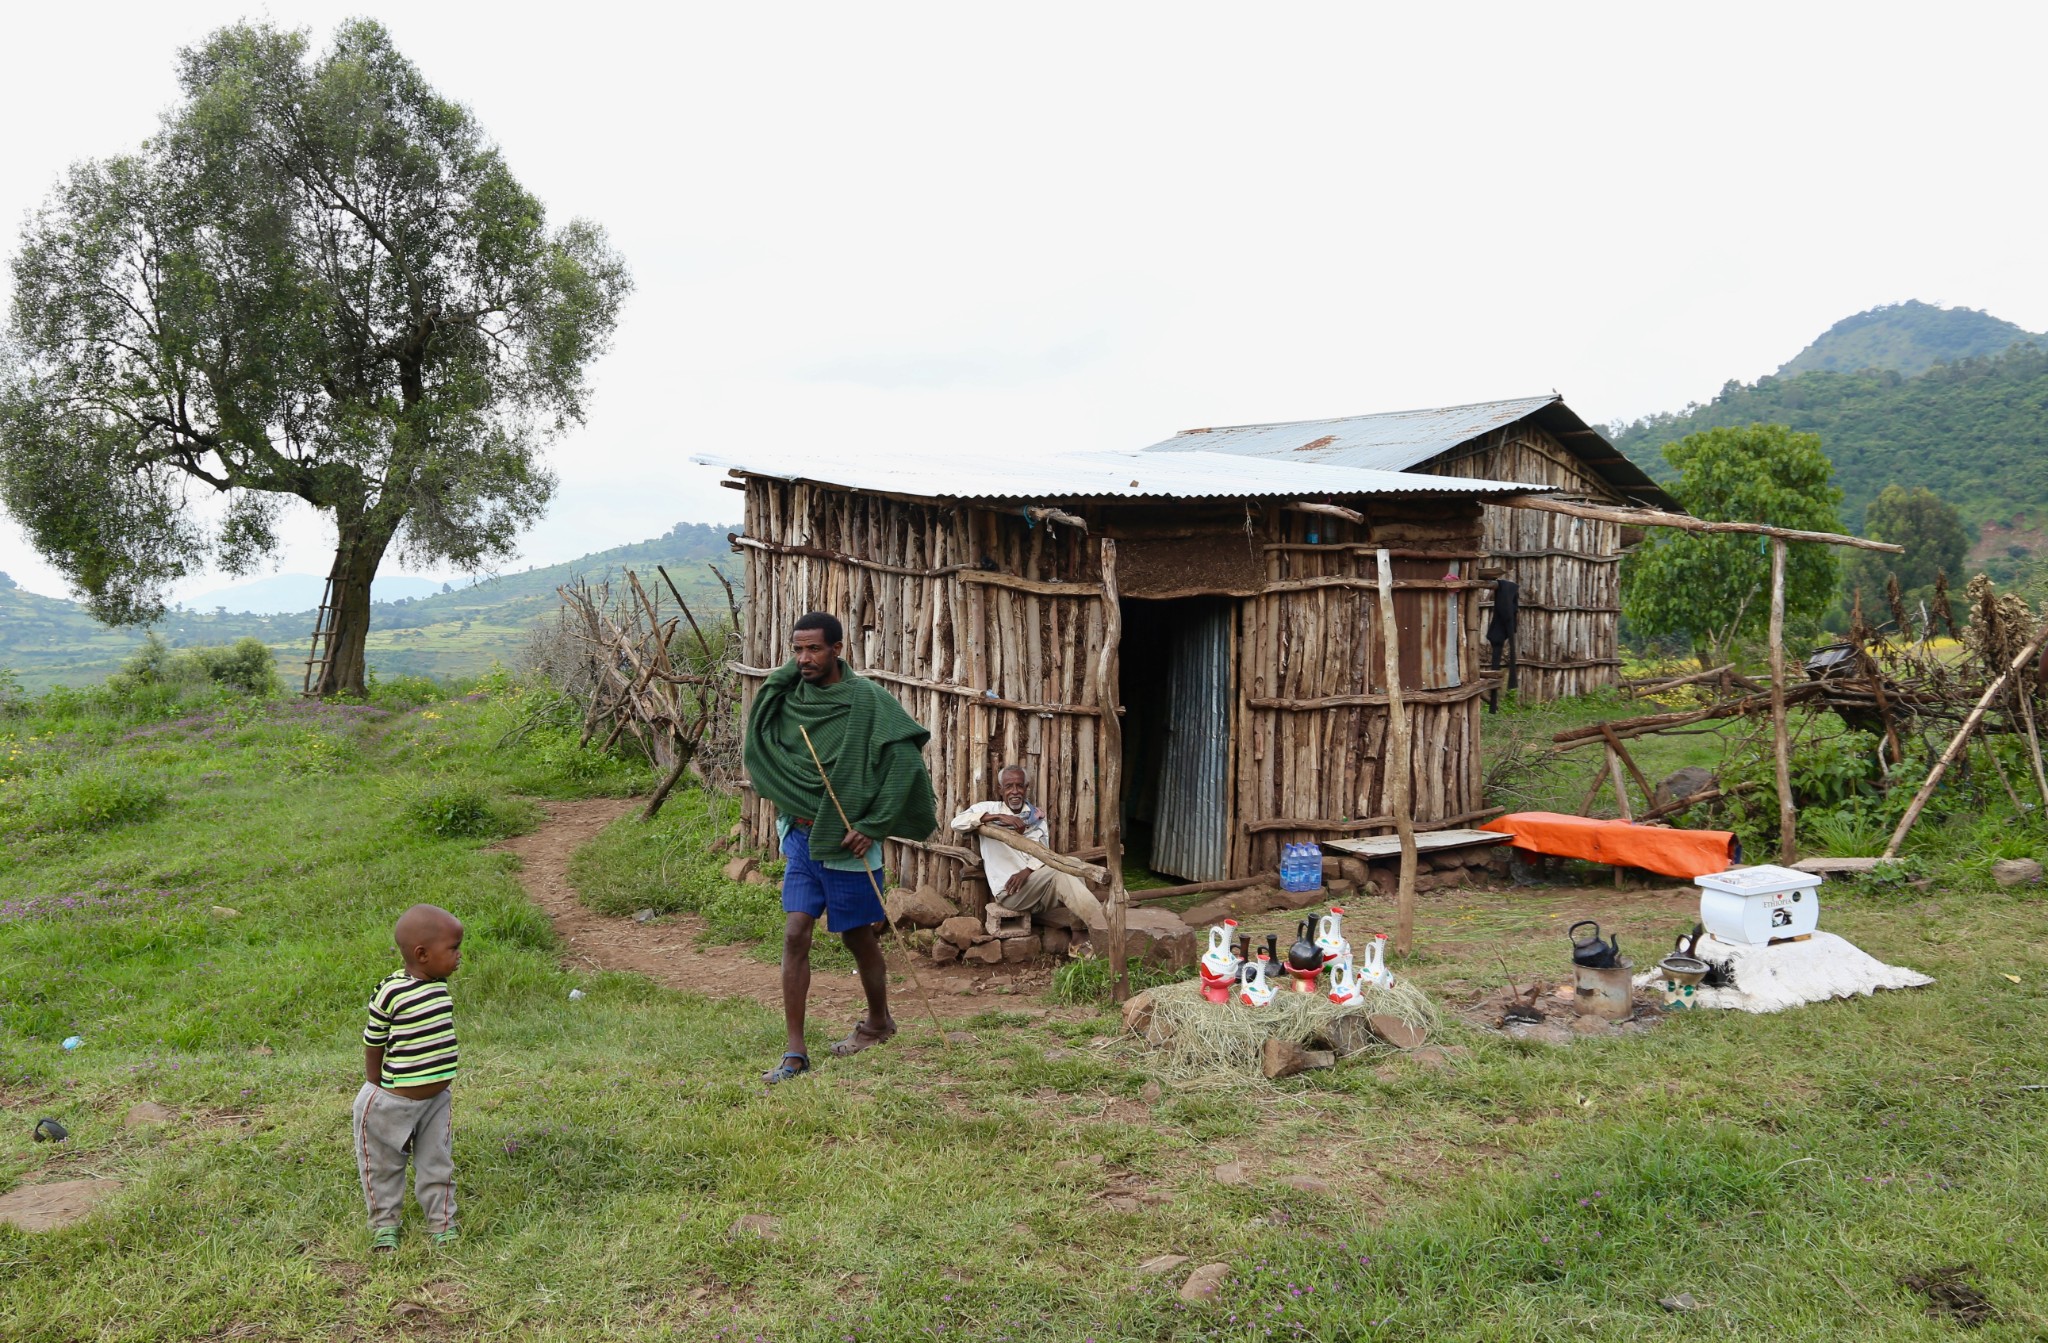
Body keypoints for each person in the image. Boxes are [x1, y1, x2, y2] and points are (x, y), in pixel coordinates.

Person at [743, 611, 937, 1084]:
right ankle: (795, 1053)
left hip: (850, 841)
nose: (804, 658)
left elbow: (906, 764)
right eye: (797, 649)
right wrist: (791, 670)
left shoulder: (867, 701)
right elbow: (761, 716)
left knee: (857, 937)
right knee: (795, 933)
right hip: (804, 838)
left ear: (837, 649)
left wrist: (873, 824)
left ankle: (878, 1021)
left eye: (814, 649)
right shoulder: (790, 699)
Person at [354, 904, 464, 1254]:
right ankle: (385, 1223)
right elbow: (374, 1040)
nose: (460, 955)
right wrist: (375, 1085)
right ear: (422, 954)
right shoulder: (391, 991)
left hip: (435, 1101)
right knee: (383, 1166)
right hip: (392, 1102)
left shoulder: (437, 984)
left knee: (436, 1162)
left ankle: (442, 1223)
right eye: (453, 948)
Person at [951, 765, 1106, 934]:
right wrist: (996, 817)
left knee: (1074, 865)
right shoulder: (987, 809)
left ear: (1026, 788)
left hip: (1039, 889)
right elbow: (956, 823)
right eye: (1009, 786)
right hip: (1011, 893)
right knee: (1066, 868)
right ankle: (1105, 928)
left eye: (1019, 786)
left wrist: (1026, 872)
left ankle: (1080, 935)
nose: (1015, 791)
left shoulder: (1036, 817)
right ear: (1000, 790)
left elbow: (1042, 852)